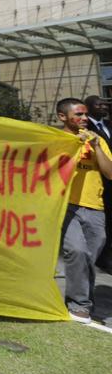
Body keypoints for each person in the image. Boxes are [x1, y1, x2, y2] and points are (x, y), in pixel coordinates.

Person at [56, 97, 112, 323]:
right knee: (76, 251)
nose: (84, 118)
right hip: (65, 206)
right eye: (78, 114)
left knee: (90, 256)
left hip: (94, 207)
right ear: (62, 117)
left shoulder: (96, 140)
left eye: (85, 114)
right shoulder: (55, 139)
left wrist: (97, 145)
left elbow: (110, 173)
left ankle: (82, 302)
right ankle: (79, 306)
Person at [84, 95, 112, 271]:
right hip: (100, 182)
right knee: (105, 223)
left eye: (104, 104)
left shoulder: (108, 125)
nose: (103, 106)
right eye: (98, 104)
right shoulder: (86, 128)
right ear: (88, 107)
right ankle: (103, 259)